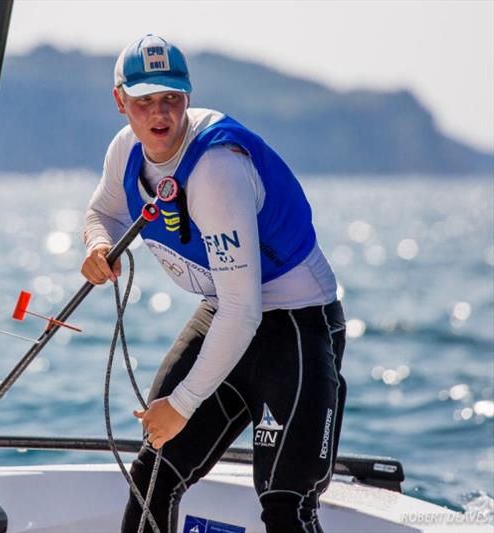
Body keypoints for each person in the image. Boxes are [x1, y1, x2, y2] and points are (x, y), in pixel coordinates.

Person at [81, 34, 347, 533]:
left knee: (287, 503)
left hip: (294, 325)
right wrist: (98, 245)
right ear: (120, 101)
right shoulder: (125, 151)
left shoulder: (217, 170)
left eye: (171, 99)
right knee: (153, 474)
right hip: (223, 314)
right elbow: (103, 213)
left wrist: (181, 407)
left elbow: (244, 312)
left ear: (188, 95)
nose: (159, 115)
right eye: (144, 101)